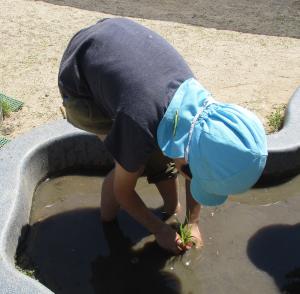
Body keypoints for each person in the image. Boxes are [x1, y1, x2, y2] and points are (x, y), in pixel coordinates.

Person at [58, 18, 268, 254]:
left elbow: (191, 165)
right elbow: (123, 192)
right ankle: (107, 223)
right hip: (81, 84)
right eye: (192, 175)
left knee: (161, 156)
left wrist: (192, 222)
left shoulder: (202, 113)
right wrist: (158, 229)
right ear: (188, 167)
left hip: (119, 42)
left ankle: (171, 206)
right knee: (130, 166)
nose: (190, 175)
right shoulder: (137, 125)